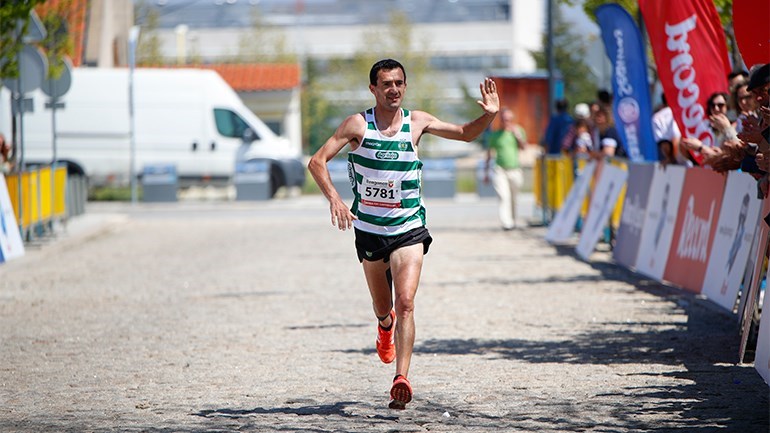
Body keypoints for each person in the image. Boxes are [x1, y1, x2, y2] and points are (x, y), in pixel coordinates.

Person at [307, 59, 499, 410]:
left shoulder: (419, 121)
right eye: (386, 84)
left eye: (399, 83)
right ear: (373, 89)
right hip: (368, 231)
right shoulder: (357, 125)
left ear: (405, 87)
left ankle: (402, 378)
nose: (393, 89)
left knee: (406, 302)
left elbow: (465, 133)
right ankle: (384, 326)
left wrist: (488, 115)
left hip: (409, 227)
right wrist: (335, 200)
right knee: (385, 309)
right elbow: (317, 161)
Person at [485, 107, 526, 230]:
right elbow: (489, 153)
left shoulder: (518, 131)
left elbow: (524, 147)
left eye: (508, 119)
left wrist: (518, 136)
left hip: (515, 169)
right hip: (500, 169)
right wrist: (486, 171)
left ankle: (513, 220)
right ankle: (506, 223)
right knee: (503, 196)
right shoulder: (495, 135)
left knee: (514, 198)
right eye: (504, 119)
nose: (506, 121)